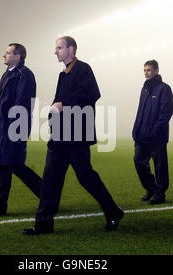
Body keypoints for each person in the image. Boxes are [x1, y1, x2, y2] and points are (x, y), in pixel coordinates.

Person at [22, 36, 124, 235]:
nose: (55, 51)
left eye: (59, 48)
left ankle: (113, 211)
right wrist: (52, 115)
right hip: (60, 137)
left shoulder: (83, 69)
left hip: (77, 136)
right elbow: (58, 101)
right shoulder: (63, 74)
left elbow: (92, 94)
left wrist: (63, 104)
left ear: (71, 49)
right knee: (50, 179)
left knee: (86, 177)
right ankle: (43, 225)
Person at [0, 43, 42, 218]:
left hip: (14, 128)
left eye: (7, 52)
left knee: (6, 164)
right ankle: (48, 196)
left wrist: (12, 127)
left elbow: (21, 104)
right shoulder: (7, 74)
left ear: (18, 56)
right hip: (3, 128)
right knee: (12, 165)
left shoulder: (25, 75)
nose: (4, 55)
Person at [132, 60, 173, 205]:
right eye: (144, 70)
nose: (146, 73)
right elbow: (140, 112)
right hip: (142, 135)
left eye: (149, 70)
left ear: (156, 71)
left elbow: (165, 113)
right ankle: (151, 188)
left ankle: (160, 194)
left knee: (160, 166)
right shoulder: (144, 89)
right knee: (138, 161)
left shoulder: (164, 89)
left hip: (157, 137)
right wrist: (136, 130)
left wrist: (155, 131)